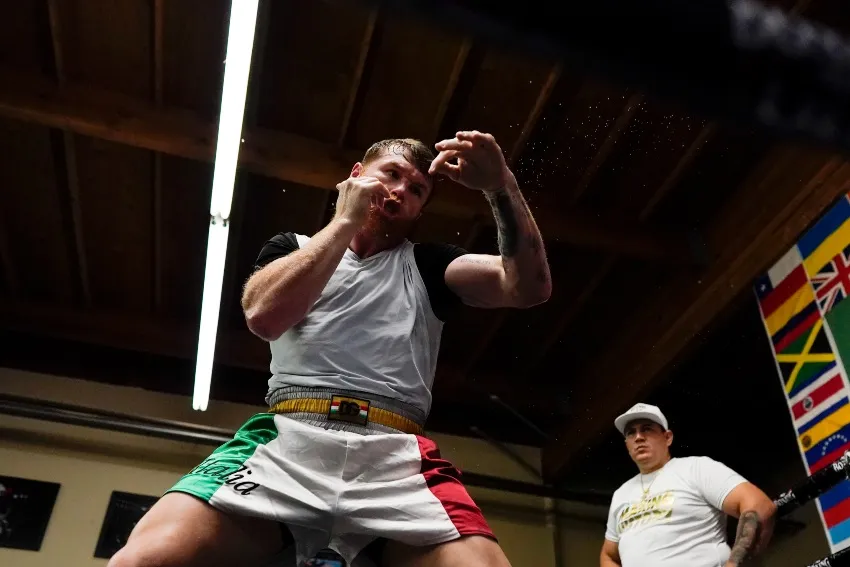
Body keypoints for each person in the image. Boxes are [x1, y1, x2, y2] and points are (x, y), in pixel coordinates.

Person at [108, 131, 551, 567]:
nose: (399, 191)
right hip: (287, 443)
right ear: (357, 175)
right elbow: (264, 317)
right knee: (143, 560)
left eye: (416, 189)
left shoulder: (429, 265)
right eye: (390, 175)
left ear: (419, 210)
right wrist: (345, 221)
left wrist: (500, 186)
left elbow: (529, 289)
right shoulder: (292, 248)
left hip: (394, 457)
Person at [599, 403, 777, 567]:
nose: (638, 437)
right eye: (631, 432)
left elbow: (760, 506)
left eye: (647, 429)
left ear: (667, 437)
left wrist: (734, 564)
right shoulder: (621, 494)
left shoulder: (696, 468)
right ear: (627, 445)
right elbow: (608, 555)